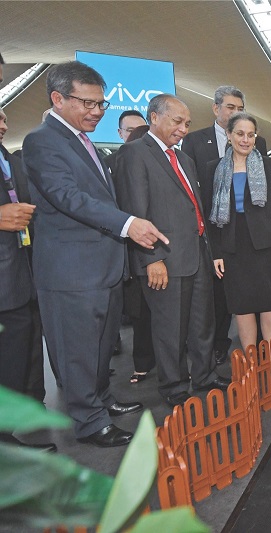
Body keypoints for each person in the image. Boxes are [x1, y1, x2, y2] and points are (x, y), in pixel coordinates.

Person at [23, 61, 167, 447]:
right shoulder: (42, 141)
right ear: (58, 98)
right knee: (78, 350)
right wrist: (128, 223)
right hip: (71, 271)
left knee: (102, 345)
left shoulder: (87, 143)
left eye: (101, 104)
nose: (97, 112)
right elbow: (69, 198)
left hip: (102, 267)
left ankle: (100, 400)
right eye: (88, 103)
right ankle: (88, 422)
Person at [116, 94, 230, 408]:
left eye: (187, 123)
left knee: (202, 324)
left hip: (197, 256)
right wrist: (152, 259)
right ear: (154, 117)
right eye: (177, 121)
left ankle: (205, 376)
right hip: (165, 260)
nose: (183, 129)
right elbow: (136, 212)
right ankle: (174, 385)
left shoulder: (184, 158)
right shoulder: (134, 154)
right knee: (170, 329)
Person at [182, 86, 268, 366]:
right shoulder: (195, 141)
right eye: (231, 107)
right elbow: (196, 193)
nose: (236, 112)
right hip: (219, 228)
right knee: (221, 299)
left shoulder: (259, 146)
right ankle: (220, 345)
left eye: (240, 106)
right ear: (216, 108)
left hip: (255, 234)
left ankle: (266, 354)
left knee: (262, 299)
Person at [205, 112, 271, 350]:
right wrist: (216, 254)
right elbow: (209, 216)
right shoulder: (214, 168)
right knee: (241, 308)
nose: (245, 140)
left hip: (266, 246)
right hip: (232, 247)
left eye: (251, 135)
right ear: (229, 134)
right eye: (240, 134)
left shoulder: (268, 165)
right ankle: (252, 362)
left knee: (268, 305)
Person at [0, 105, 55, 451]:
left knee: (13, 363)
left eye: (5, 116)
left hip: (18, 277)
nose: (3, 123)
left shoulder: (9, 159)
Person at [111, 124, 156, 384]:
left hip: (153, 245)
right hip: (131, 248)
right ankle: (142, 363)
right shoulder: (117, 163)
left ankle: (149, 362)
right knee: (140, 314)